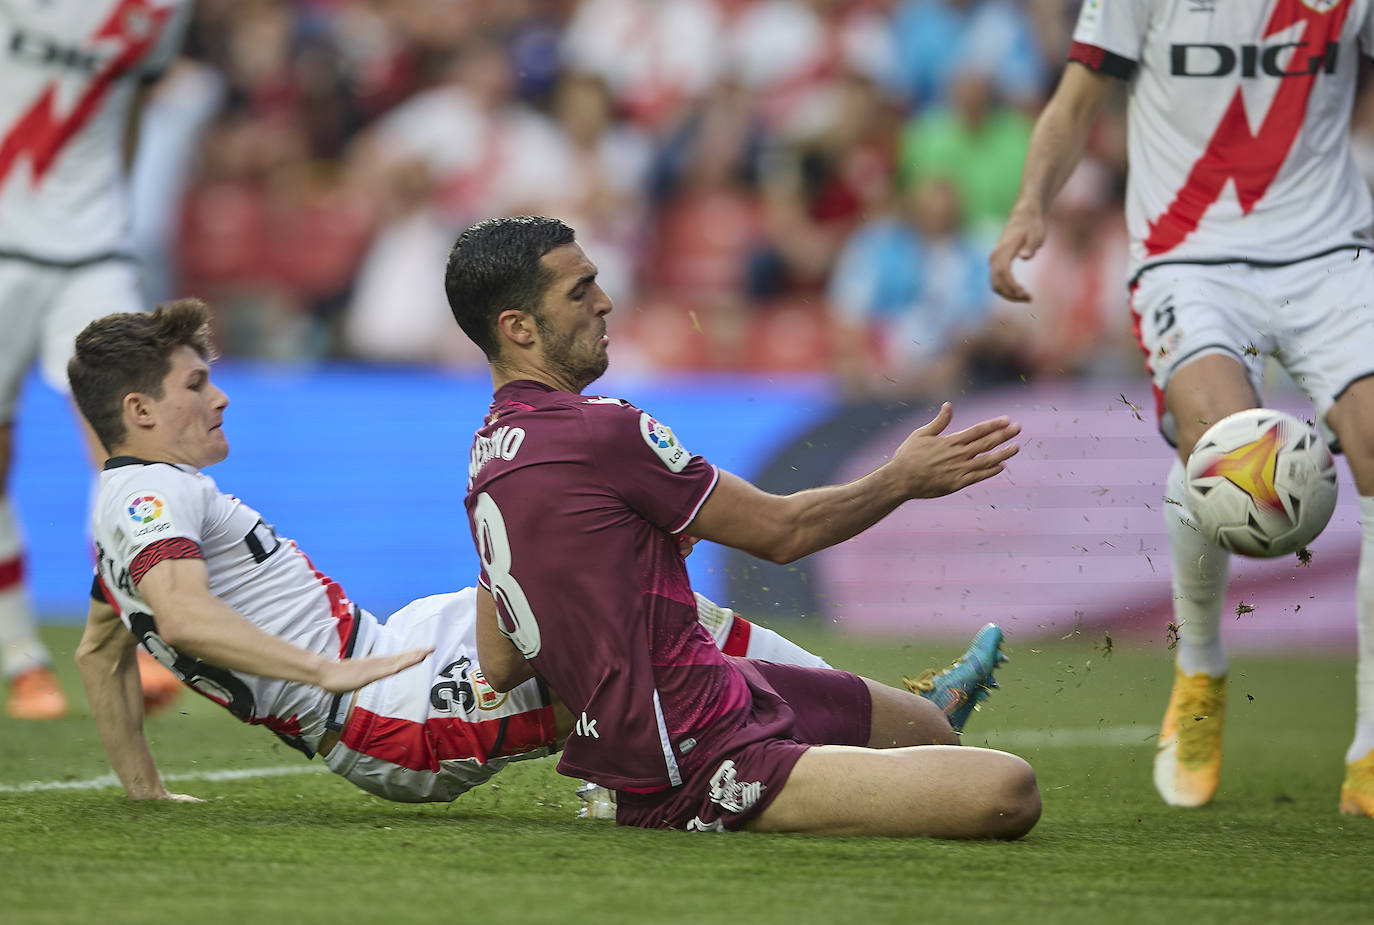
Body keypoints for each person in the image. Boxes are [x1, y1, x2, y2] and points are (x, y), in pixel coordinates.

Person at [67, 299, 997, 804]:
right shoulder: (154, 493)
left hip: (393, 645)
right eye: (196, 384)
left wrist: (146, 792)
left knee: (654, 614)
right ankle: (836, 738)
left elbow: (101, 653)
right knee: (630, 651)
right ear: (140, 411)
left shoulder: (122, 517)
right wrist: (323, 672)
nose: (219, 397)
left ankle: (879, 713)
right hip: (385, 713)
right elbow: (182, 615)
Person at [448, 215, 1040, 838]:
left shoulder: (487, 462)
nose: (605, 302)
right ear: (518, 327)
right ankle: (692, 796)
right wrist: (900, 479)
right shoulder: (599, 430)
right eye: (579, 291)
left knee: (927, 727)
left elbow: (501, 662)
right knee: (1007, 790)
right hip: (696, 757)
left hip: (710, 691)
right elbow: (783, 532)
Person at [988, 1, 1374, 815]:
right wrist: (1029, 203)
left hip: (1332, 253)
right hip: (1187, 256)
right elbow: (1075, 103)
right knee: (1225, 448)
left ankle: (1371, 745)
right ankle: (1200, 665)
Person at [0, 0, 194, 719]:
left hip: (94, 247)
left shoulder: (163, 9)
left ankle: (143, 638)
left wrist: (113, 205)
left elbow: (131, 105)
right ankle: (21, 657)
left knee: (130, 435)